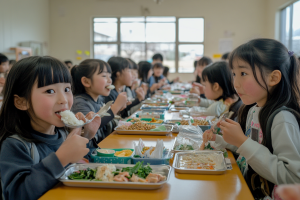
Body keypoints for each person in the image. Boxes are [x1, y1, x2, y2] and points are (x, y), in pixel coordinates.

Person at [205, 39, 300, 200]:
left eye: (243, 74)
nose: (235, 83)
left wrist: (242, 141)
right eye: (234, 74)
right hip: (245, 189)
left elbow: (293, 178)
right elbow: (251, 152)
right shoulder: (253, 110)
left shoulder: (282, 119)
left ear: (273, 78)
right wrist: (222, 140)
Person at [0, 56, 101, 200]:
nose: (64, 99)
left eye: (67, 89)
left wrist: (86, 136)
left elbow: (80, 169)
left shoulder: (64, 133)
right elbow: (17, 194)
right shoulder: (16, 145)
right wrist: (60, 159)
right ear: (22, 102)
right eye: (50, 91)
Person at [70, 59, 127, 153]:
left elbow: (105, 123)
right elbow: (91, 126)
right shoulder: (79, 102)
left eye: (109, 76)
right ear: (86, 81)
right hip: (87, 154)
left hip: (103, 148)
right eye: (104, 76)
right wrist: (115, 107)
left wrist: (118, 109)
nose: (110, 80)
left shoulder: (99, 99)